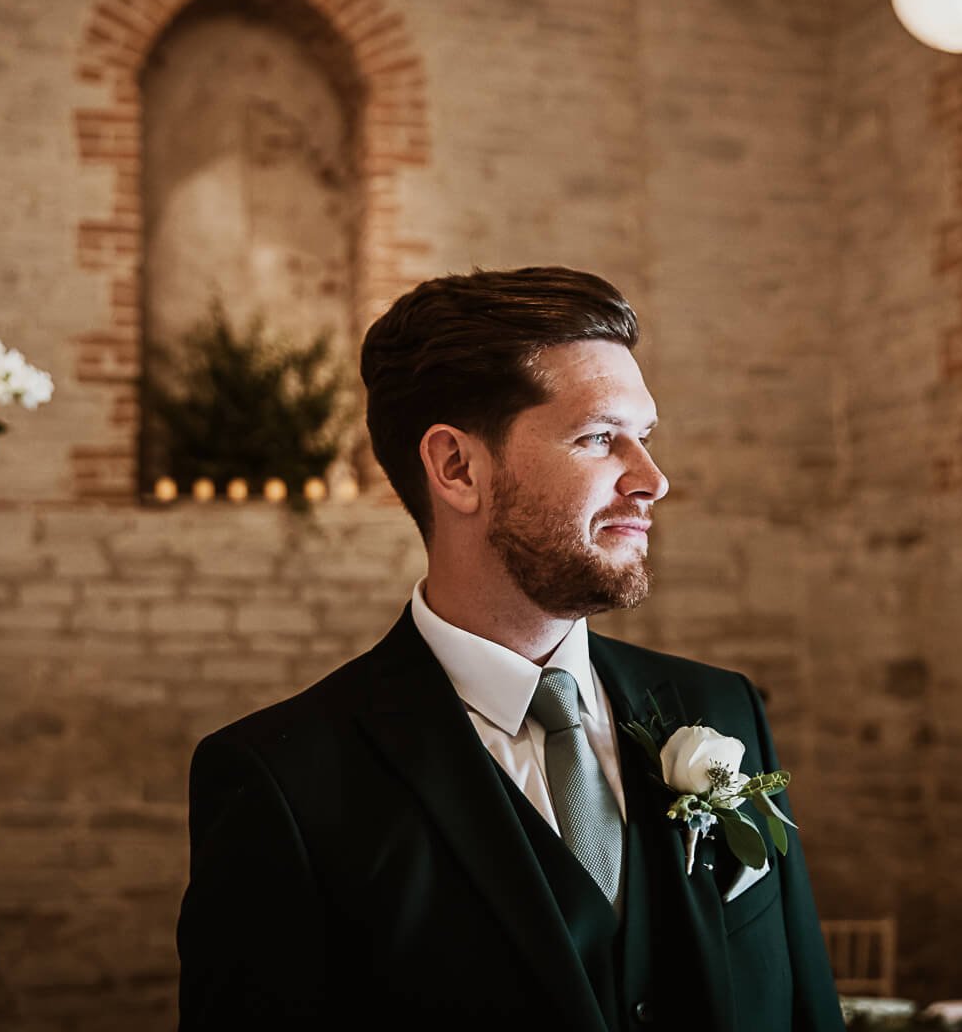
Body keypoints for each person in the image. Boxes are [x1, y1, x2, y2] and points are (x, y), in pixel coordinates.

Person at [177, 267, 845, 1031]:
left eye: (646, 438)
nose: (653, 480)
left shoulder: (723, 709)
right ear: (458, 468)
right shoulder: (284, 784)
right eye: (599, 438)